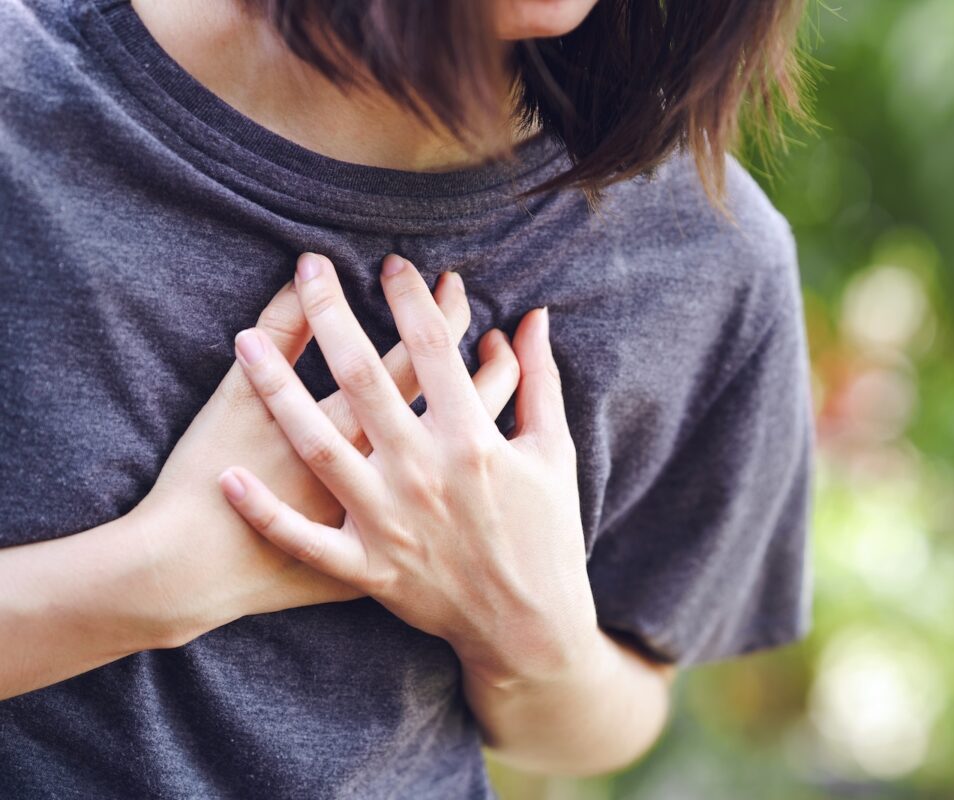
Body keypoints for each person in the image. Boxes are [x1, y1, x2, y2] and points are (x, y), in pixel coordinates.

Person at [0, 0, 815, 796]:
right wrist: (155, 580)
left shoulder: (707, 253)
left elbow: (617, 717)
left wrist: (526, 630)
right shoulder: (25, 90)